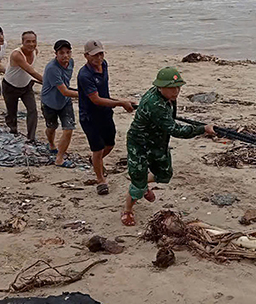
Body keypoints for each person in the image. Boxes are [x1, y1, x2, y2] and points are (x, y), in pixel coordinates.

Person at [120, 67, 215, 226]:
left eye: (178, 87)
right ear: (160, 86)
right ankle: (128, 210)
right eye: (172, 88)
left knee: (164, 174)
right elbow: (176, 130)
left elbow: (169, 121)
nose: (176, 91)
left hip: (158, 140)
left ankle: (143, 185)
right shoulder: (155, 104)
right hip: (140, 143)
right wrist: (202, 129)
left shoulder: (167, 97)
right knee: (137, 181)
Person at [76, 40, 134, 195]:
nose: (99, 58)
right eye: (95, 55)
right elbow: (96, 99)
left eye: (101, 53)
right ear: (86, 56)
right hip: (90, 116)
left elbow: (103, 94)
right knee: (97, 149)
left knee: (109, 144)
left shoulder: (105, 65)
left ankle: (95, 161)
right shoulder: (85, 75)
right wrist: (121, 103)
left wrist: (121, 101)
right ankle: (100, 179)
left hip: (105, 113)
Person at [41, 40, 79, 167]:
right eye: (61, 53)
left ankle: (59, 158)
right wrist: (84, 95)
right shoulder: (52, 68)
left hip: (65, 102)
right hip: (49, 103)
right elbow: (64, 91)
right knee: (51, 127)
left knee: (69, 129)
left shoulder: (71, 63)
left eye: (68, 52)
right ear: (55, 54)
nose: (65, 56)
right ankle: (51, 144)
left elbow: (66, 85)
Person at [3, 31, 43, 141]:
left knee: (32, 110)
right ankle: (13, 130)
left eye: (34, 41)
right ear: (22, 42)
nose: (31, 44)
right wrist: (47, 82)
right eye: (28, 42)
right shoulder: (17, 55)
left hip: (26, 86)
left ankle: (31, 137)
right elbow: (31, 71)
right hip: (10, 86)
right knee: (12, 112)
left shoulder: (35, 51)